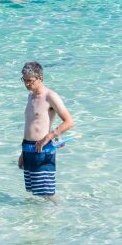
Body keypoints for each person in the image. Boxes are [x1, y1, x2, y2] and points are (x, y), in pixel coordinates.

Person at [18, 62, 74, 200]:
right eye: (24, 80)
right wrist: (23, 153)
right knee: (34, 193)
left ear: (40, 78)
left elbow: (69, 122)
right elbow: (30, 125)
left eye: (30, 81)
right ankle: (38, 221)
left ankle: (60, 213)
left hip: (42, 148)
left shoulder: (50, 96)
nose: (26, 84)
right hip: (28, 148)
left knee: (47, 193)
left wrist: (49, 137)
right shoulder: (30, 97)